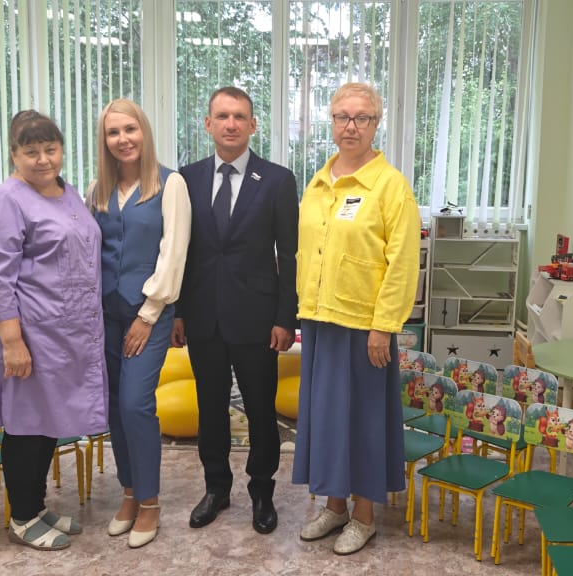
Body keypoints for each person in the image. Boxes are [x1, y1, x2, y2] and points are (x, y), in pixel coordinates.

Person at [292, 82, 420, 555]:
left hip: (365, 327)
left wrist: (384, 325)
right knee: (328, 419)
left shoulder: (390, 186)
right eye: (342, 117)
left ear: (376, 123)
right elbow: (308, 251)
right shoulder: (318, 182)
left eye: (361, 117)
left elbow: (403, 263)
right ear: (331, 122)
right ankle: (334, 505)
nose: (351, 126)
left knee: (363, 420)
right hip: (321, 320)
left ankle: (364, 516)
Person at [0, 110, 106, 551]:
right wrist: (12, 342)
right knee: (26, 425)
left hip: (67, 334)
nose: (43, 160)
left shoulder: (69, 193)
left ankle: (37, 504)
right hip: (30, 333)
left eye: (51, 149)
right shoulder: (4, 200)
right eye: (31, 152)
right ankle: (23, 516)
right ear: (14, 154)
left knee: (49, 421)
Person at [173, 87, 299, 535]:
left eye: (240, 116)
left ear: (252, 125)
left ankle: (262, 492)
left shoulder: (278, 180)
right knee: (210, 408)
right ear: (208, 123)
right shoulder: (185, 179)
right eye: (222, 116)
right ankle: (216, 488)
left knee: (261, 409)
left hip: (258, 319)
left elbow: (290, 255)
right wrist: (178, 311)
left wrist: (286, 318)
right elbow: (179, 252)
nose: (231, 124)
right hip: (203, 317)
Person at [89, 99, 191, 549]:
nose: (123, 139)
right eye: (113, 132)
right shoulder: (97, 189)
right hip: (106, 314)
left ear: (144, 132)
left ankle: (150, 501)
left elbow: (174, 254)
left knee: (135, 404)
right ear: (104, 140)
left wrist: (148, 315)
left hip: (148, 313)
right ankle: (129, 493)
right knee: (114, 406)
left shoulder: (171, 184)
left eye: (130, 129)